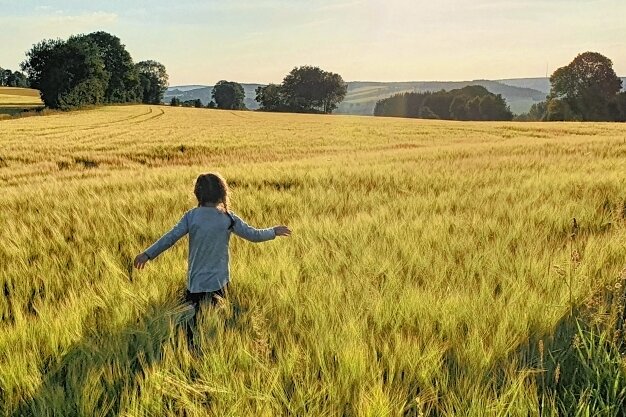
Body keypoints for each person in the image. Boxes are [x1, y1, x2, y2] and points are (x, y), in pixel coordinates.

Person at [133, 172, 291, 343]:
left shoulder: (191, 216)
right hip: (219, 282)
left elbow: (169, 238)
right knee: (217, 324)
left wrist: (147, 254)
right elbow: (253, 235)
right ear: (222, 193)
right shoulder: (228, 218)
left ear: (197, 194)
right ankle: (213, 348)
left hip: (196, 282)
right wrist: (273, 231)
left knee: (194, 325)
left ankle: (190, 351)